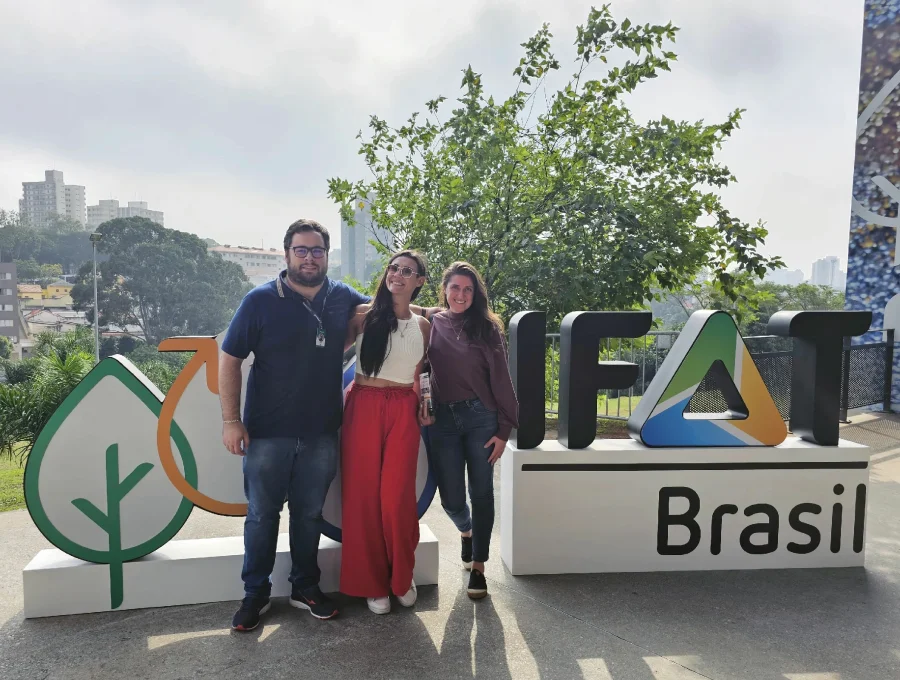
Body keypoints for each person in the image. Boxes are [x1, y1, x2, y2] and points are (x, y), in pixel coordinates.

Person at [219, 219, 369, 631]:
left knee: (309, 515)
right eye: (301, 250)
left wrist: (438, 313)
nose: (309, 258)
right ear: (287, 254)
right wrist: (231, 420)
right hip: (266, 433)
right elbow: (229, 359)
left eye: (317, 250)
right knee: (261, 516)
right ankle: (255, 594)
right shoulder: (260, 301)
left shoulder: (341, 297)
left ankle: (305, 587)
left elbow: (386, 307)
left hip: (321, 432)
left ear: (326, 255)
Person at [340, 250, 433, 615]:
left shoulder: (423, 325)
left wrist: (426, 404)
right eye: (393, 268)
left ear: (419, 281)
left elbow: (420, 373)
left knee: (397, 498)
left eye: (407, 271)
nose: (397, 274)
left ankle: (401, 576)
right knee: (362, 496)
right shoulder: (363, 316)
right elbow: (327, 355)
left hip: (403, 410)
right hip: (364, 404)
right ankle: (372, 583)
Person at [424, 262, 518, 599]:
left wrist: (504, 430)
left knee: (481, 492)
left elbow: (501, 379)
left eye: (468, 289)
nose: (461, 294)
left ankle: (479, 566)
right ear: (444, 289)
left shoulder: (488, 328)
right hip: (443, 420)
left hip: (481, 418)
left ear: (476, 293)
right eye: (455, 287)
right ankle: (466, 531)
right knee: (450, 497)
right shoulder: (432, 322)